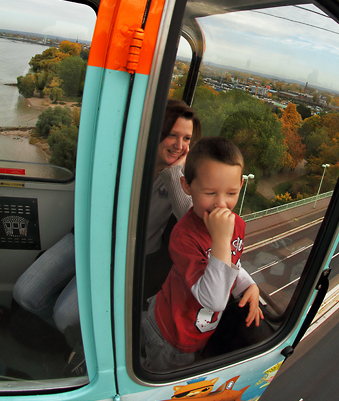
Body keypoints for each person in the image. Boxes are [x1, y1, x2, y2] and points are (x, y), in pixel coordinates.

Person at [13, 99, 201, 357]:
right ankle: (75, 338)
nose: (180, 145)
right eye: (172, 135)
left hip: (123, 259)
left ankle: (72, 341)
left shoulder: (181, 178)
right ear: (156, 132)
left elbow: (188, 217)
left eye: (187, 138)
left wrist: (174, 173)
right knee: (24, 294)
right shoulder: (126, 158)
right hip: (88, 239)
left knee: (64, 317)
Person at [143, 136, 263, 373]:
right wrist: (220, 239)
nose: (221, 204)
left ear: (240, 185)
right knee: (161, 381)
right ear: (187, 186)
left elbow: (232, 263)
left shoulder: (235, 224)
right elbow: (214, 300)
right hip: (172, 335)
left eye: (230, 193)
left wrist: (248, 284)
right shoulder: (183, 237)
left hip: (195, 327)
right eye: (210, 193)